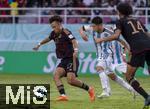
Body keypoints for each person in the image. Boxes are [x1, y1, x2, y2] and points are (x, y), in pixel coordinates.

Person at [94, 2, 150, 108]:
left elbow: (116, 36)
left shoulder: (120, 21)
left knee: (129, 76)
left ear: (119, 12)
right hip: (149, 45)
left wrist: (101, 39)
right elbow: (147, 34)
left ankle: (147, 97)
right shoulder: (137, 20)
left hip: (138, 48)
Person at [33, 15, 95, 101]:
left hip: (71, 59)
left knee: (71, 80)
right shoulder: (53, 33)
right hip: (63, 60)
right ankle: (63, 95)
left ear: (59, 24)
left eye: (54, 27)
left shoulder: (66, 32)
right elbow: (48, 38)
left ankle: (89, 89)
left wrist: (76, 51)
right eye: (52, 27)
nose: (53, 29)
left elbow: (74, 41)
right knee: (56, 75)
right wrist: (39, 44)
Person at [79, 16, 136, 99]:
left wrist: (128, 50)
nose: (92, 27)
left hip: (107, 54)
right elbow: (82, 28)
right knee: (112, 76)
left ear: (100, 25)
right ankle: (131, 89)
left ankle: (106, 91)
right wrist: (82, 34)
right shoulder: (92, 28)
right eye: (92, 26)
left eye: (94, 26)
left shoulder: (109, 32)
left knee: (99, 68)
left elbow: (120, 40)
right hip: (100, 55)